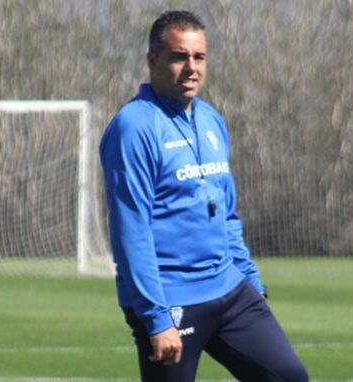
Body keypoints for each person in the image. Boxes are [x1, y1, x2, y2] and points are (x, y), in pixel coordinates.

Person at [99, 10, 309, 382]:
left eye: (199, 57)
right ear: (153, 60)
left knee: (288, 376)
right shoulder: (134, 128)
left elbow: (226, 213)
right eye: (179, 56)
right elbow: (131, 233)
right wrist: (156, 317)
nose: (191, 68)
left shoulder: (211, 120)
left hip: (230, 290)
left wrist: (249, 278)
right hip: (171, 298)